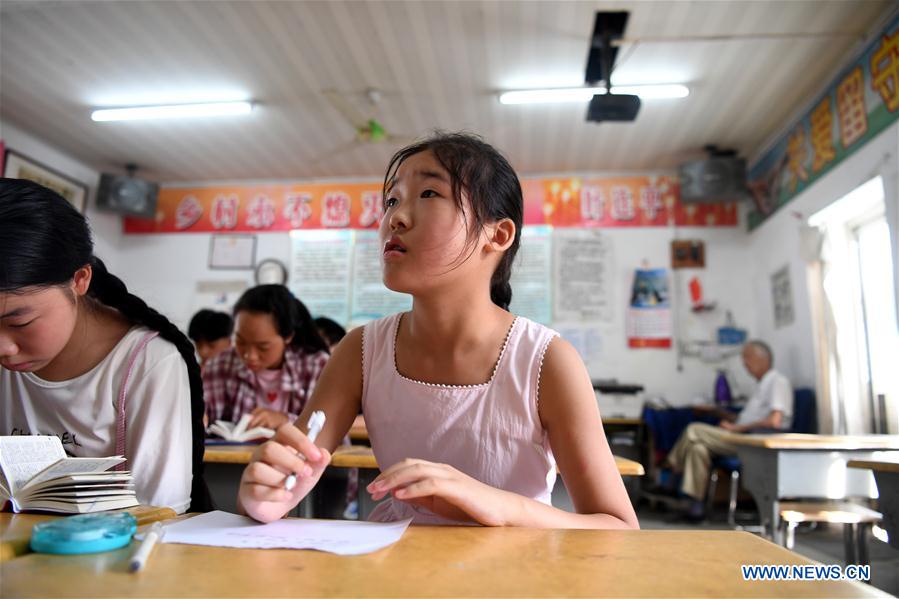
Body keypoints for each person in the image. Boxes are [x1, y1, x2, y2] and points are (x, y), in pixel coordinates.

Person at [237, 132, 639, 529]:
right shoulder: (360, 350)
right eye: (392, 200)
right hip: (392, 568)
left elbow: (619, 527)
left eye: (428, 194)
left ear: (497, 235)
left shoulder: (545, 361)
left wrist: (494, 504)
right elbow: (292, 477)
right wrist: (264, 495)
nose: (394, 217)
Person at [0, 178, 210, 514]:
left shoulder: (146, 363)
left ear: (79, 280)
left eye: (19, 323)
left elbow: (158, 512)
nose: (4, 347)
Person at [664, 340, 793, 522]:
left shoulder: (778, 382)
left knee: (694, 430)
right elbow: (747, 418)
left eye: (747, 358)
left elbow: (775, 420)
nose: (744, 364)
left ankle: (672, 472)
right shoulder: (761, 385)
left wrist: (737, 427)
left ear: (763, 359)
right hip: (741, 436)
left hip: (753, 443)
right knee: (697, 448)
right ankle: (695, 508)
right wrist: (720, 414)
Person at [203, 285, 330, 431]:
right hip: (235, 454)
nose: (249, 356)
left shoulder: (316, 366)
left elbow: (330, 425)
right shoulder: (220, 365)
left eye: (263, 347)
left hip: (300, 454)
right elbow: (203, 409)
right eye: (240, 342)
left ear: (288, 336)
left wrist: (284, 420)